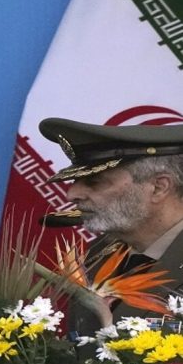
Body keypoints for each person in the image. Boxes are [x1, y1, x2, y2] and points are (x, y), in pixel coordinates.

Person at [39, 117, 183, 333]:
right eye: (75, 181)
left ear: (158, 188)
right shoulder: (97, 253)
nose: (72, 194)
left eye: (94, 181)